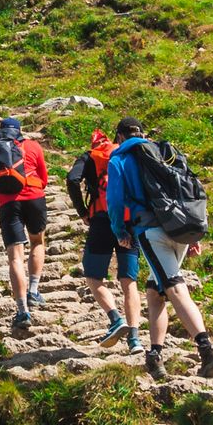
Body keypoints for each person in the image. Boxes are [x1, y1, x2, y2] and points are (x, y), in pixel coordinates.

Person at [105, 117, 213, 379]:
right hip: (180, 227)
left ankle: (207, 349)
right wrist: (191, 235)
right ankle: (155, 356)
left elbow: (113, 200)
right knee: (154, 292)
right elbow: (186, 190)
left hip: (150, 231)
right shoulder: (164, 153)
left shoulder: (119, 159)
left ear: (120, 137)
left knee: (174, 287)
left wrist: (120, 231)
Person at [66, 127, 141, 353]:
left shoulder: (90, 156)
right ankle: (135, 339)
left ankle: (116, 318)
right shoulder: (125, 155)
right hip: (129, 221)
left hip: (100, 220)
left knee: (93, 276)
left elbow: (72, 179)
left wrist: (82, 211)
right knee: (129, 281)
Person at [0, 116, 48, 328]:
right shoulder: (33, 146)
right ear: (19, 131)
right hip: (35, 198)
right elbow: (44, 179)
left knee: (15, 258)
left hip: (8, 204)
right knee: (37, 242)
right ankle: (34, 291)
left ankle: (22, 311)